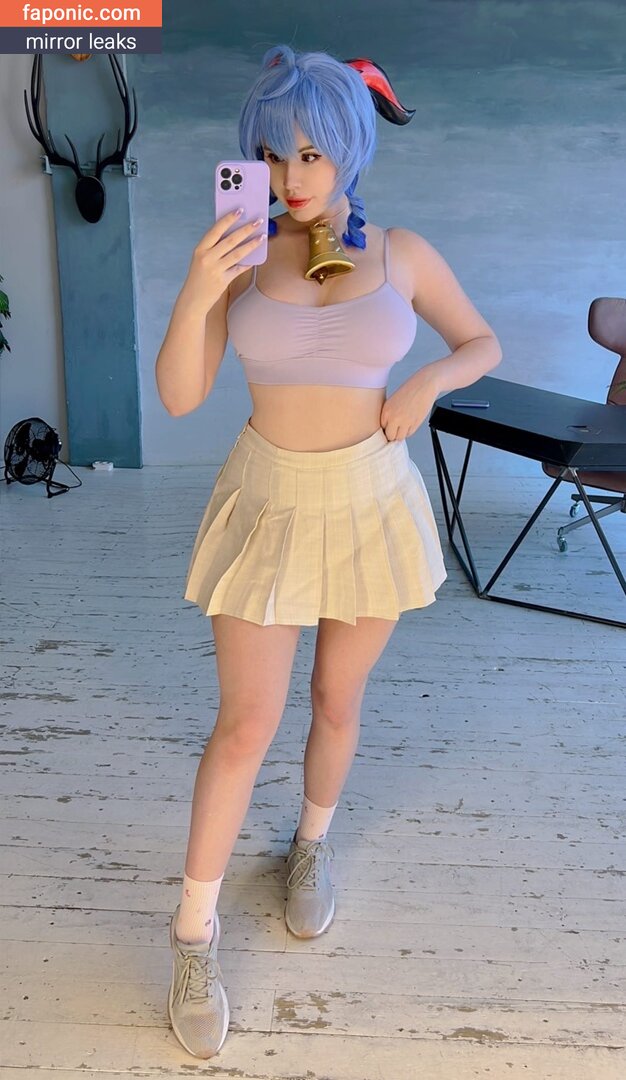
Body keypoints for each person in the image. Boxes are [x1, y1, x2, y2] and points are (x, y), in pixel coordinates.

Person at [154, 43, 502, 1060]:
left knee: (336, 701)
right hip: (266, 500)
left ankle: (308, 846)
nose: (292, 175)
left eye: (311, 152)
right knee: (243, 726)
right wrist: (196, 288)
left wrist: (425, 385)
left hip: (368, 501)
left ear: (350, 148)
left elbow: (481, 342)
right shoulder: (239, 251)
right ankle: (191, 936)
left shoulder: (401, 252)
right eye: (272, 153)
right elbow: (179, 395)